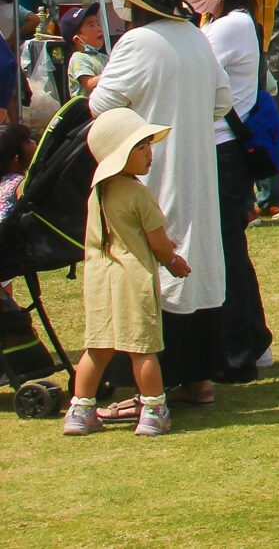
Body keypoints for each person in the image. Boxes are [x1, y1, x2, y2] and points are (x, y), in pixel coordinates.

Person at [89, 0, 235, 406]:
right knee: (195, 261)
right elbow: (222, 101)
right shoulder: (195, 36)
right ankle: (198, 380)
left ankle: (147, 387)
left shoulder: (137, 42)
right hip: (197, 167)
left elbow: (101, 107)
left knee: (150, 263)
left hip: (150, 169)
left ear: (135, 2)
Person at [175, 0, 273, 376]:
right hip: (222, 148)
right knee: (230, 251)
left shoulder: (227, 27)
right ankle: (252, 342)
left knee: (225, 255)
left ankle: (238, 352)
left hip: (222, 150)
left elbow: (189, 70)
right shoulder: (229, 22)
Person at [60, 109, 186, 439]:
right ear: (121, 154)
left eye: (148, 145)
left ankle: (80, 409)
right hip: (133, 281)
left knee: (97, 347)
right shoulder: (140, 194)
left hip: (99, 280)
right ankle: (154, 410)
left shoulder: (97, 193)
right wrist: (173, 261)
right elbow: (158, 242)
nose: (149, 153)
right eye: (141, 147)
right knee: (142, 348)